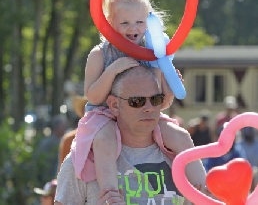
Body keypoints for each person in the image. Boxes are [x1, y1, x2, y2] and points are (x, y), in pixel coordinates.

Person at [75, 0, 186, 195]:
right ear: (109, 23)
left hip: (142, 114)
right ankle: (109, 192)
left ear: (149, 22)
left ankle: (201, 188)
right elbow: (93, 95)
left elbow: (161, 102)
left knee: (179, 136)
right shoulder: (100, 55)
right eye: (125, 22)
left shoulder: (151, 54)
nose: (133, 28)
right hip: (105, 115)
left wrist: (169, 86)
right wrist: (113, 70)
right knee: (104, 140)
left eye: (139, 22)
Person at [55, 66, 207, 204]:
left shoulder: (180, 155)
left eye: (155, 99)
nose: (149, 108)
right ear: (114, 105)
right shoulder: (84, 160)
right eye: (137, 101)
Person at [34, 115, 68, 185]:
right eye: (62, 126)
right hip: (47, 178)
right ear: (56, 127)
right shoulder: (46, 143)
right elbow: (39, 159)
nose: (65, 128)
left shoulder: (65, 141)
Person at [58, 95, 88, 171]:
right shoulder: (69, 139)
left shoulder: (112, 137)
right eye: (89, 107)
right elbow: (62, 173)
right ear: (82, 111)